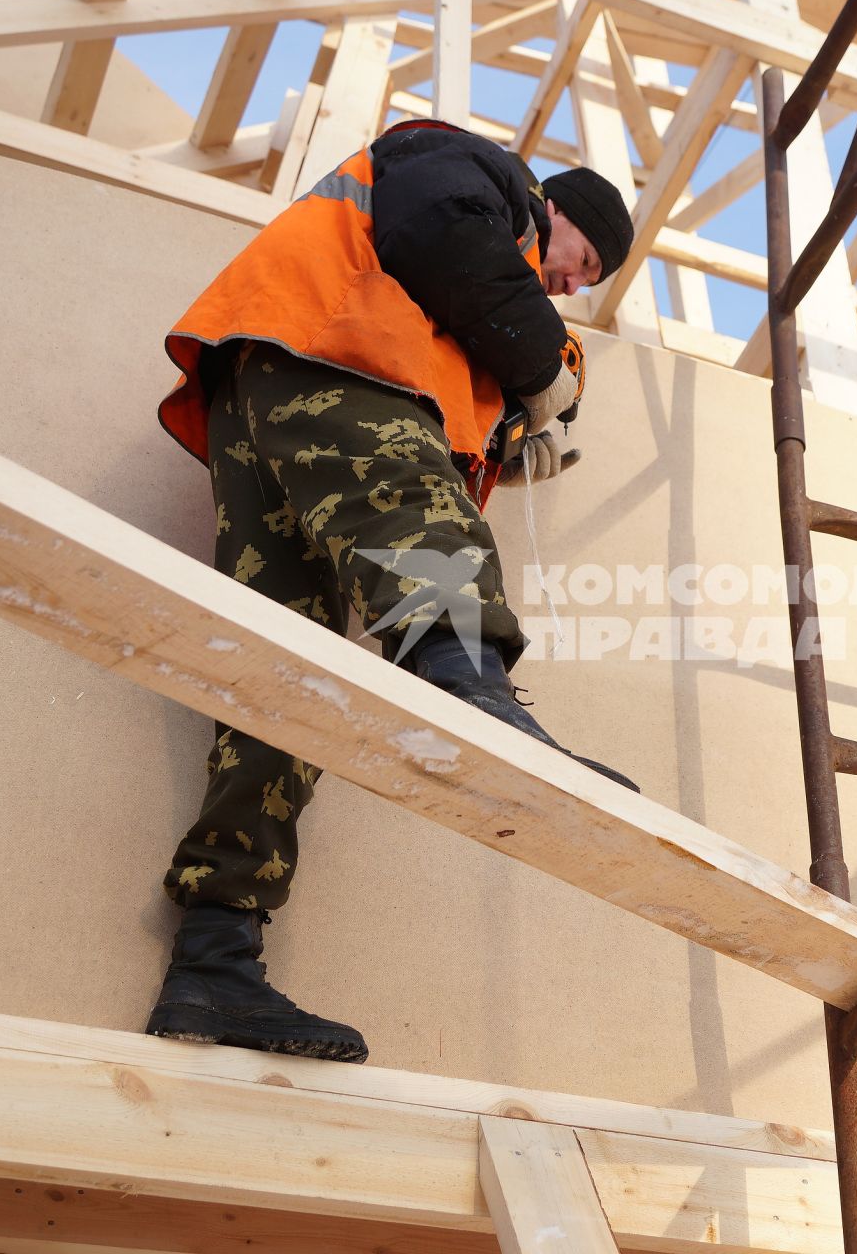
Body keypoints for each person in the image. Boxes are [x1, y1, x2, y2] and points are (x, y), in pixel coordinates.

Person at [142, 119, 639, 1063]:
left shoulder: (471, 285)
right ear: (557, 211)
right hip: (328, 357)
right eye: (584, 262)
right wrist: (542, 369)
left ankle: (214, 962)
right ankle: (478, 701)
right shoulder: (484, 176)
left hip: (270, 391)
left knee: (283, 690)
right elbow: (439, 236)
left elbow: (447, 334)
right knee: (423, 515)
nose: (575, 286)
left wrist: (508, 421)